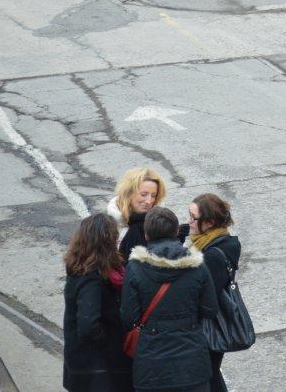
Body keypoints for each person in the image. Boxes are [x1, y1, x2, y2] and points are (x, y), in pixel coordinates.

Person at [121, 207, 218, 392]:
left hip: (152, 366)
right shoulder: (197, 265)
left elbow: (128, 317)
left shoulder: (135, 267)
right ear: (175, 232)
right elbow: (210, 309)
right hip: (192, 364)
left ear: (146, 235)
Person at [63, 213, 133, 392]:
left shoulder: (81, 268)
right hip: (96, 366)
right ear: (105, 243)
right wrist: (111, 340)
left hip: (87, 364)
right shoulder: (91, 278)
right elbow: (88, 325)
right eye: (114, 238)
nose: (117, 242)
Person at [185, 194, 241, 392]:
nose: (189, 221)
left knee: (206, 377)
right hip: (207, 327)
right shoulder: (213, 241)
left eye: (193, 217)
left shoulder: (212, 255)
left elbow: (205, 296)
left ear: (209, 222)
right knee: (210, 376)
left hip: (209, 329)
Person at [106, 167, 167, 262]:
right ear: (129, 193)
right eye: (143, 194)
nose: (149, 201)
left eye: (153, 196)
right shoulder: (108, 223)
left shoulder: (162, 222)